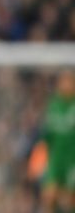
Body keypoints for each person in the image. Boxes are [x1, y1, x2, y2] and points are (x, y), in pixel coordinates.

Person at [40, 70, 75, 213]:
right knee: (49, 195)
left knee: (69, 201)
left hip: (72, 160)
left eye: (69, 81)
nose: (66, 85)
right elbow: (47, 136)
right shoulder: (53, 105)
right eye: (63, 81)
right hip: (56, 159)